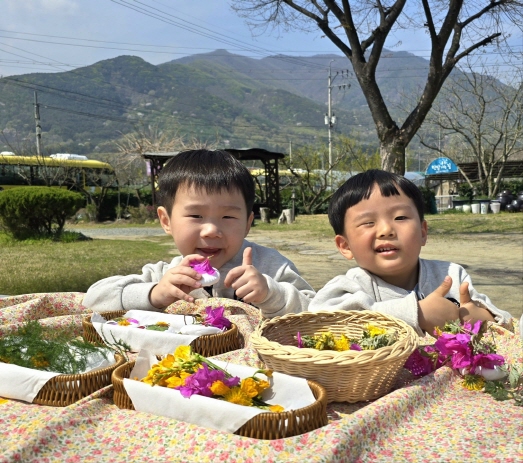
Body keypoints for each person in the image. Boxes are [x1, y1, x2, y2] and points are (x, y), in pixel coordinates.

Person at [83, 149, 315, 317]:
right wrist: (155, 294)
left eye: (228, 217)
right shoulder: (167, 275)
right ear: (166, 221)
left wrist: (271, 294)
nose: (212, 230)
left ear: (247, 223)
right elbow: (93, 299)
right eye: (196, 216)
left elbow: (316, 311)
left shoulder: (271, 267)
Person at [308, 169, 512, 336]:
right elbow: (319, 323)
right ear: (345, 246)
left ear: (423, 232)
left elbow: (503, 321)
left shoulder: (451, 275)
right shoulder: (348, 287)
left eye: (400, 218)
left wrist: (474, 318)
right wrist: (416, 314)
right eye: (368, 222)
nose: (386, 230)